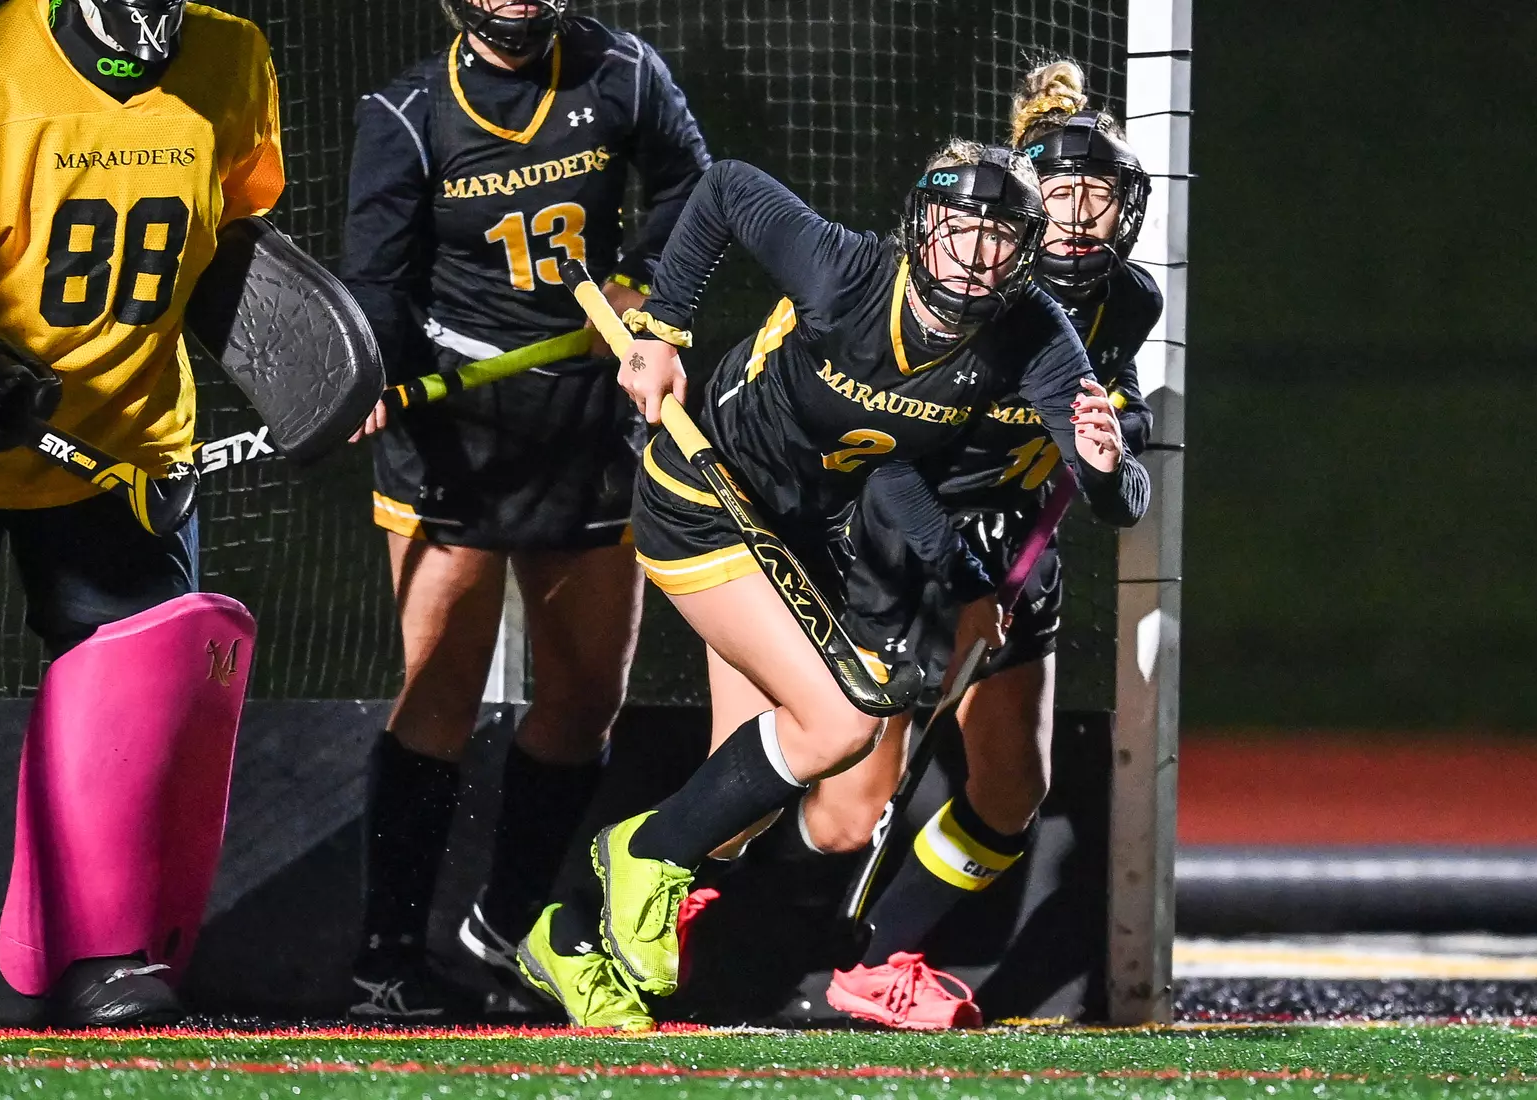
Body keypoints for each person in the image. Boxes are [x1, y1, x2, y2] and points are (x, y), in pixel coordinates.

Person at [514, 141, 1150, 1030]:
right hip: (710, 500)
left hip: (812, 536)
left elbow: (1117, 499)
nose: (972, 253)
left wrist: (1110, 466)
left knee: (736, 801)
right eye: (957, 229)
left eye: (998, 237)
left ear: (1024, 251)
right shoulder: (847, 271)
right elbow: (730, 183)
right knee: (840, 721)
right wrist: (663, 333)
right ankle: (639, 856)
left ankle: (569, 935)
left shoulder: (1038, 332)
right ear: (920, 229)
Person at [339, 0, 709, 1019]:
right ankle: (385, 960)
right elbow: (374, 281)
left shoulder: (623, 71)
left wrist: (645, 293)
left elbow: (691, 185)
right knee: (440, 695)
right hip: (456, 435)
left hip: (587, 423)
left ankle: (502, 930)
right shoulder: (406, 113)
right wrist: (370, 372)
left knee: (587, 691)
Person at [815, 59, 1165, 1030]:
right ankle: (673, 899)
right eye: (1062, 193)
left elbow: (1116, 471)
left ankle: (881, 955)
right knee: (848, 806)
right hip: (897, 535)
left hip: (1011, 551)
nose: (1083, 215)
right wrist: (954, 566)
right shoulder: (961, 287)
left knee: (1012, 787)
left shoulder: (1125, 302)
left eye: (1101, 194)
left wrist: (1108, 447)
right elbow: (879, 447)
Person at [0, 0, 283, 1026]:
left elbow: (239, 236)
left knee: (127, 715)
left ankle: (95, 954)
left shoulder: (234, 57)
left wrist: (319, 368)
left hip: (125, 451)